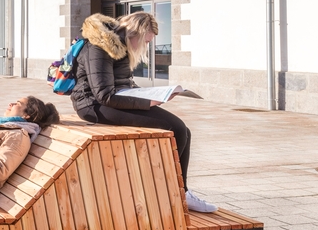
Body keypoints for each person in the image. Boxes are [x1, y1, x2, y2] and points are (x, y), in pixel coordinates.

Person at [70, 12, 217, 213]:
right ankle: (176, 192)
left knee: (184, 131)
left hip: (111, 100)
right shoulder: (100, 46)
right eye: (145, 41)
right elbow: (104, 94)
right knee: (176, 128)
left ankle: (180, 190)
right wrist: (147, 102)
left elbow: (123, 84)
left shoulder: (121, 44)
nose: (144, 47)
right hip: (92, 106)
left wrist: (157, 94)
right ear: (135, 33)